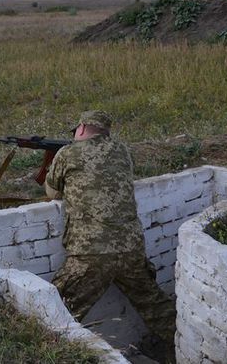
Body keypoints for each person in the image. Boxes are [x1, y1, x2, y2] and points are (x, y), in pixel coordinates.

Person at [45, 110, 177, 350]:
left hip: (90, 253)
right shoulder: (124, 152)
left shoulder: (68, 153)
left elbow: (52, 191)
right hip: (132, 249)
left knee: (55, 313)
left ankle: (48, 354)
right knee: (157, 309)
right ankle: (187, 347)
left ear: (82, 128)